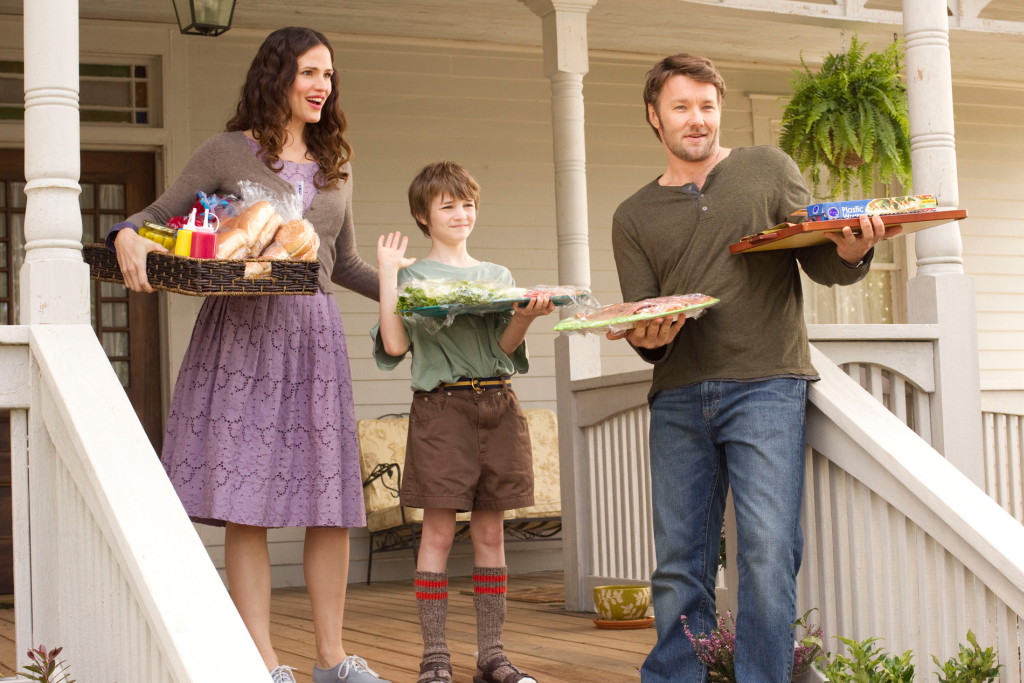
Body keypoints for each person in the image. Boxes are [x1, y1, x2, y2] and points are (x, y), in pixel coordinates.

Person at [107, 27, 390, 683]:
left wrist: (408, 294)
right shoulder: (226, 153)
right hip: (242, 336)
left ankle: (331, 656)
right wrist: (127, 234)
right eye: (311, 72)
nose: (323, 85)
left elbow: (340, 262)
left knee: (328, 501)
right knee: (247, 501)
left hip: (314, 338)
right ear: (277, 76)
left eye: (329, 75)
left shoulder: (336, 161)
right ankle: (262, 661)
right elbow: (156, 218)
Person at [609, 54, 900, 682]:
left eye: (707, 106)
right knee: (679, 560)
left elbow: (821, 261)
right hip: (679, 394)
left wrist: (854, 250)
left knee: (769, 552)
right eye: (682, 107)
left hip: (768, 384)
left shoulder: (769, 168)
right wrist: (649, 338)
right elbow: (646, 328)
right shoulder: (632, 216)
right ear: (654, 117)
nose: (697, 119)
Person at [372, 161, 553, 683]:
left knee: (492, 534)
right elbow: (394, 344)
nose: (460, 213)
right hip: (442, 409)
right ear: (422, 216)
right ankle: (435, 659)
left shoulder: (497, 277)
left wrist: (525, 314)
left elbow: (503, 347)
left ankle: (492, 656)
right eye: (447, 205)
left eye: (467, 203)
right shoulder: (412, 278)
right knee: (438, 533)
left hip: (499, 404)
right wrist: (387, 273)